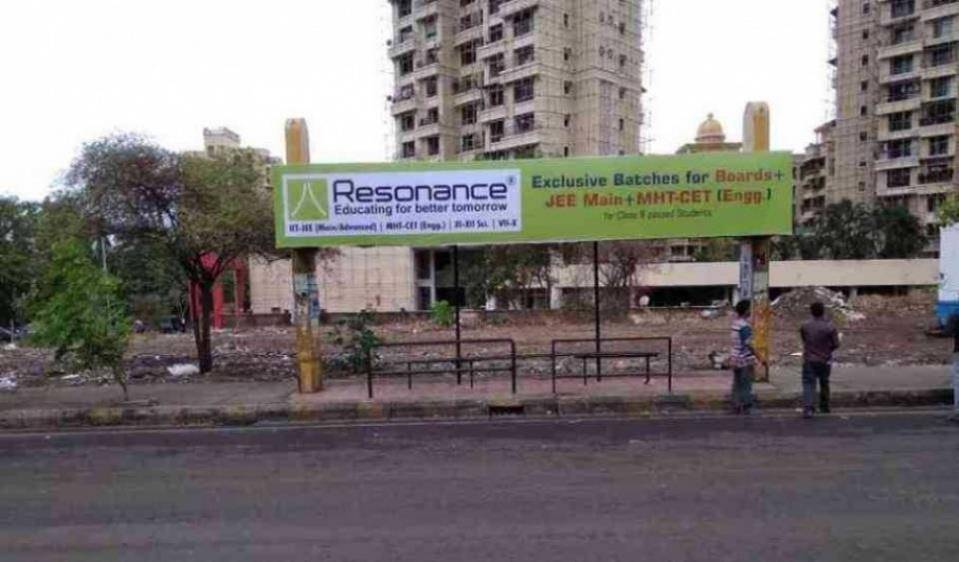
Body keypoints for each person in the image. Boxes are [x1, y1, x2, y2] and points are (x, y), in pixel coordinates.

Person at [800, 302, 840, 419]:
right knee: (824, 382)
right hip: (825, 359)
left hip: (809, 358)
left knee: (808, 383)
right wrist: (828, 349)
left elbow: (804, 339)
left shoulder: (805, 326)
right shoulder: (830, 326)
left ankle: (808, 408)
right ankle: (824, 406)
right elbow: (836, 344)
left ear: (811, 312)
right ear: (823, 311)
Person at [730, 300, 760, 415]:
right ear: (746, 310)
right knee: (746, 383)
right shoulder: (745, 326)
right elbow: (748, 344)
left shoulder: (735, 324)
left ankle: (736, 405)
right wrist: (759, 357)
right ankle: (747, 406)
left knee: (737, 383)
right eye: (750, 308)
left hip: (735, 357)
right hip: (745, 358)